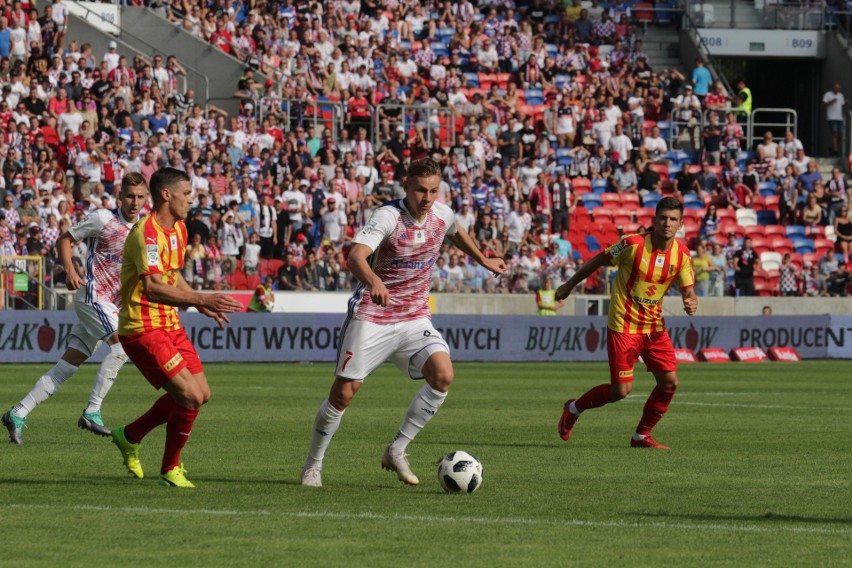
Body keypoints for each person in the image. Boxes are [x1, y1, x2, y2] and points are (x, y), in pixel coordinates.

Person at [300, 159, 506, 488]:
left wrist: (483, 259)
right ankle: (313, 465)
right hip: (373, 314)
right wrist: (374, 282)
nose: (427, 197)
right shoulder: (388, 217)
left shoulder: (442, 213)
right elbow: (355, 256)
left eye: (433, 191)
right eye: (421, 190)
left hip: (414, 316)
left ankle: (396, 449)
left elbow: (455, 232)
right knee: (343, 394)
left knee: (443, 375)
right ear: (406, 187)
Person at [110, 168, 243, 488]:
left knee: (202, 394)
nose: (190, 199)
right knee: (189, 395)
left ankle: (130, 435)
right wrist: (200, 296)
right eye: (186, 193)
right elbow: (154, 287)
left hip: (169, 324)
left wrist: (197, 302)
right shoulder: (145, 233)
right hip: (142, 328)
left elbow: (171, 276)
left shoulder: (180, 230)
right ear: (166, 195)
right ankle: (170, 468)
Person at [2, 174, 149, 445]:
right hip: (93, 297)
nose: (134, 202)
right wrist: (70, 269)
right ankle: (92, 411)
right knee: (122, 349)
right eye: (130, 196)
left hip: (111, 306)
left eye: (140, 197)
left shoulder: (143, 229)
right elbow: (64, 240)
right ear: (120, 195)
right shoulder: (103, 218)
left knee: (67, 367)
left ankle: (17, 412)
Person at [555, 196, 697, 450]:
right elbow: (600, 259)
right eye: (663, 218)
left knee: (670, 382)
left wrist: (691, 301)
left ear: (680, 224)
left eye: (673, 219)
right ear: (654, 219)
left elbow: (688, 290)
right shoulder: (633, 244)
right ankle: (574, 408)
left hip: (654, 328)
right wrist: (568, 285)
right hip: (623, 326)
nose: (667, 223)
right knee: (621, 391)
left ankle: (641, 436)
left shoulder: (682, 255)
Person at [822, 83, 847, 157]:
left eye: (838, 88)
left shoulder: (841, 95)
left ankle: (832, 149)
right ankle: (835, 151)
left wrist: (846, 104)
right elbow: (823, 105)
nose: (837, 89)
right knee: (834, 134)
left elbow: (842, 105)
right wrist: (831, 102)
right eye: (835, 88)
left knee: (840, 136)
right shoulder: (828, 94)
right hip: (832, 117)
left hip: (839, 118)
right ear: (832, 88)